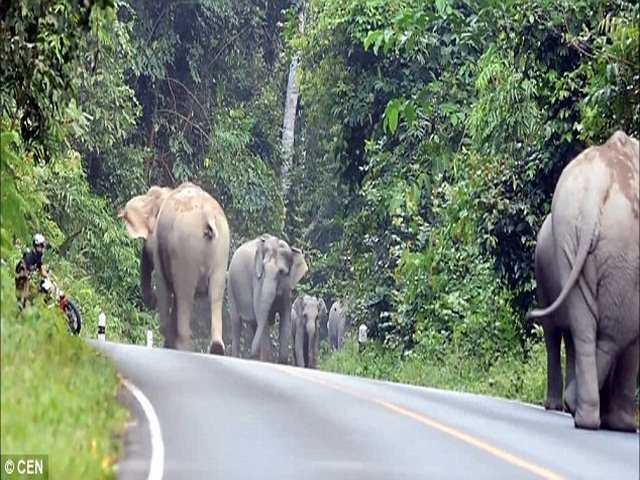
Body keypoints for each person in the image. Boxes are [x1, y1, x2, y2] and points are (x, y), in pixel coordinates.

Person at [15, 233, 48, 305]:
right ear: (34, 246)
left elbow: (41, 268)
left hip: (27, 276)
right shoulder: (29, 257)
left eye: (41, 246)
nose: (40, 249)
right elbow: (22, 268)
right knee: (24, 294)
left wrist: (46, 277)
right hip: (21, 275)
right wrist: (25, 274)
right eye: (38, 246)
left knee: (33, 293)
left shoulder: (38, 257)